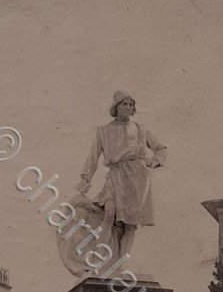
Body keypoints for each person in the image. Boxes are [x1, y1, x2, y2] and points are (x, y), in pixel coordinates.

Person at [57, 90, 167, 276]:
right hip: (116, 175)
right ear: (116, 107)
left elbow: (160, 148)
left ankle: (120, 266)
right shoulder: (104, 130)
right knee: (109, 214)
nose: (129, 108)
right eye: (125, 104)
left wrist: (154, 161)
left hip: (138, 178)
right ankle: (98, 260)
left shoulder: (141, 128)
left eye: (131, 105)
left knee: (130, 226)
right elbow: (93, 157)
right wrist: (86, 179)